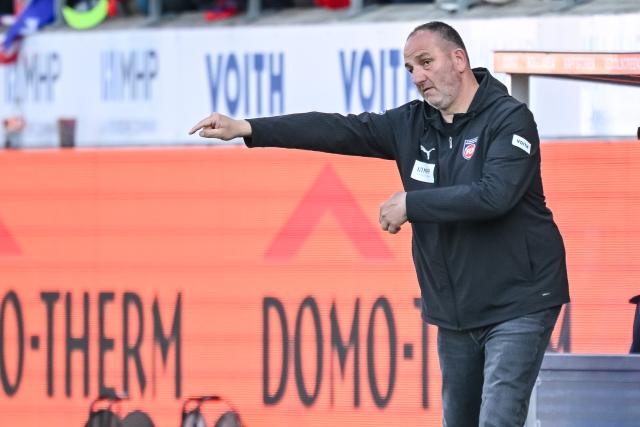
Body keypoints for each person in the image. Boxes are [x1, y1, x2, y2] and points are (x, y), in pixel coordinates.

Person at [189, 21, 570, 427]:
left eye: (426, 62)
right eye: (410, 69)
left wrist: (412, 204)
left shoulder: (510, 119)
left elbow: (494, 195)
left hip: (519, 303)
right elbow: (337, 129)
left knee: (498, 419)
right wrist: (249, 128)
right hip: (456, 314)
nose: (418, 77)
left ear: (459, 60)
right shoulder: (411, 123)